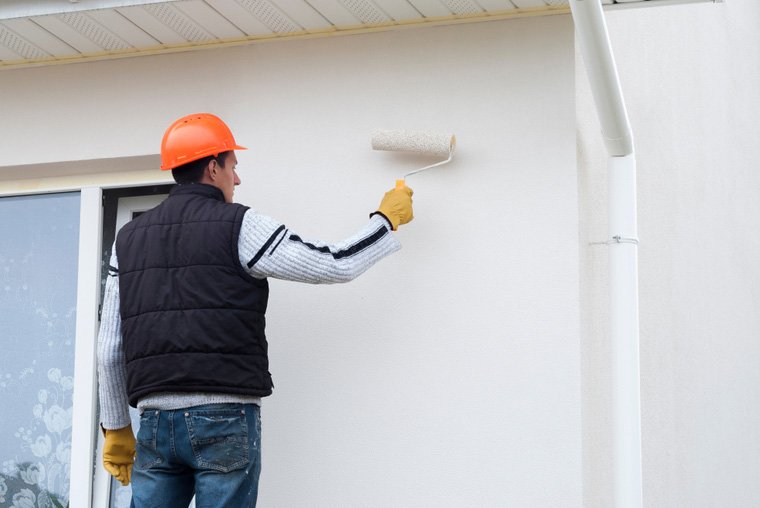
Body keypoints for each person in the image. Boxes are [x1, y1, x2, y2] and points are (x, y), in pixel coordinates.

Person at [97, 113, 414, 507]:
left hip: (154, 425)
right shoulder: (240, 225)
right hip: (224, 418)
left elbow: (110, 348)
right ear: (213, 167)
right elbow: (333, 264)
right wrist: (385, 222)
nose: (238, 178)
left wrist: (114, 427)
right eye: (234, 166)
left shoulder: (127, 239)